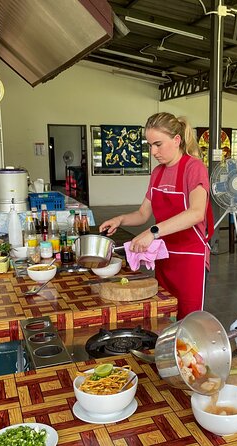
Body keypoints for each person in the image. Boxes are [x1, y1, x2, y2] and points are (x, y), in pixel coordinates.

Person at [100, 112, 213, 319]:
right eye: (150, 145)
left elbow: (197, 212)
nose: (153, 151)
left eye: (158, 144)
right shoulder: (158, 173)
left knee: (188, 320)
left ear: (177, 140)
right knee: (165, 315)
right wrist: (120, 219)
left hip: (190, 260)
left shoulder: (193, 168)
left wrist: (153, 232)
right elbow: (143, 214)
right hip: (164, 256)